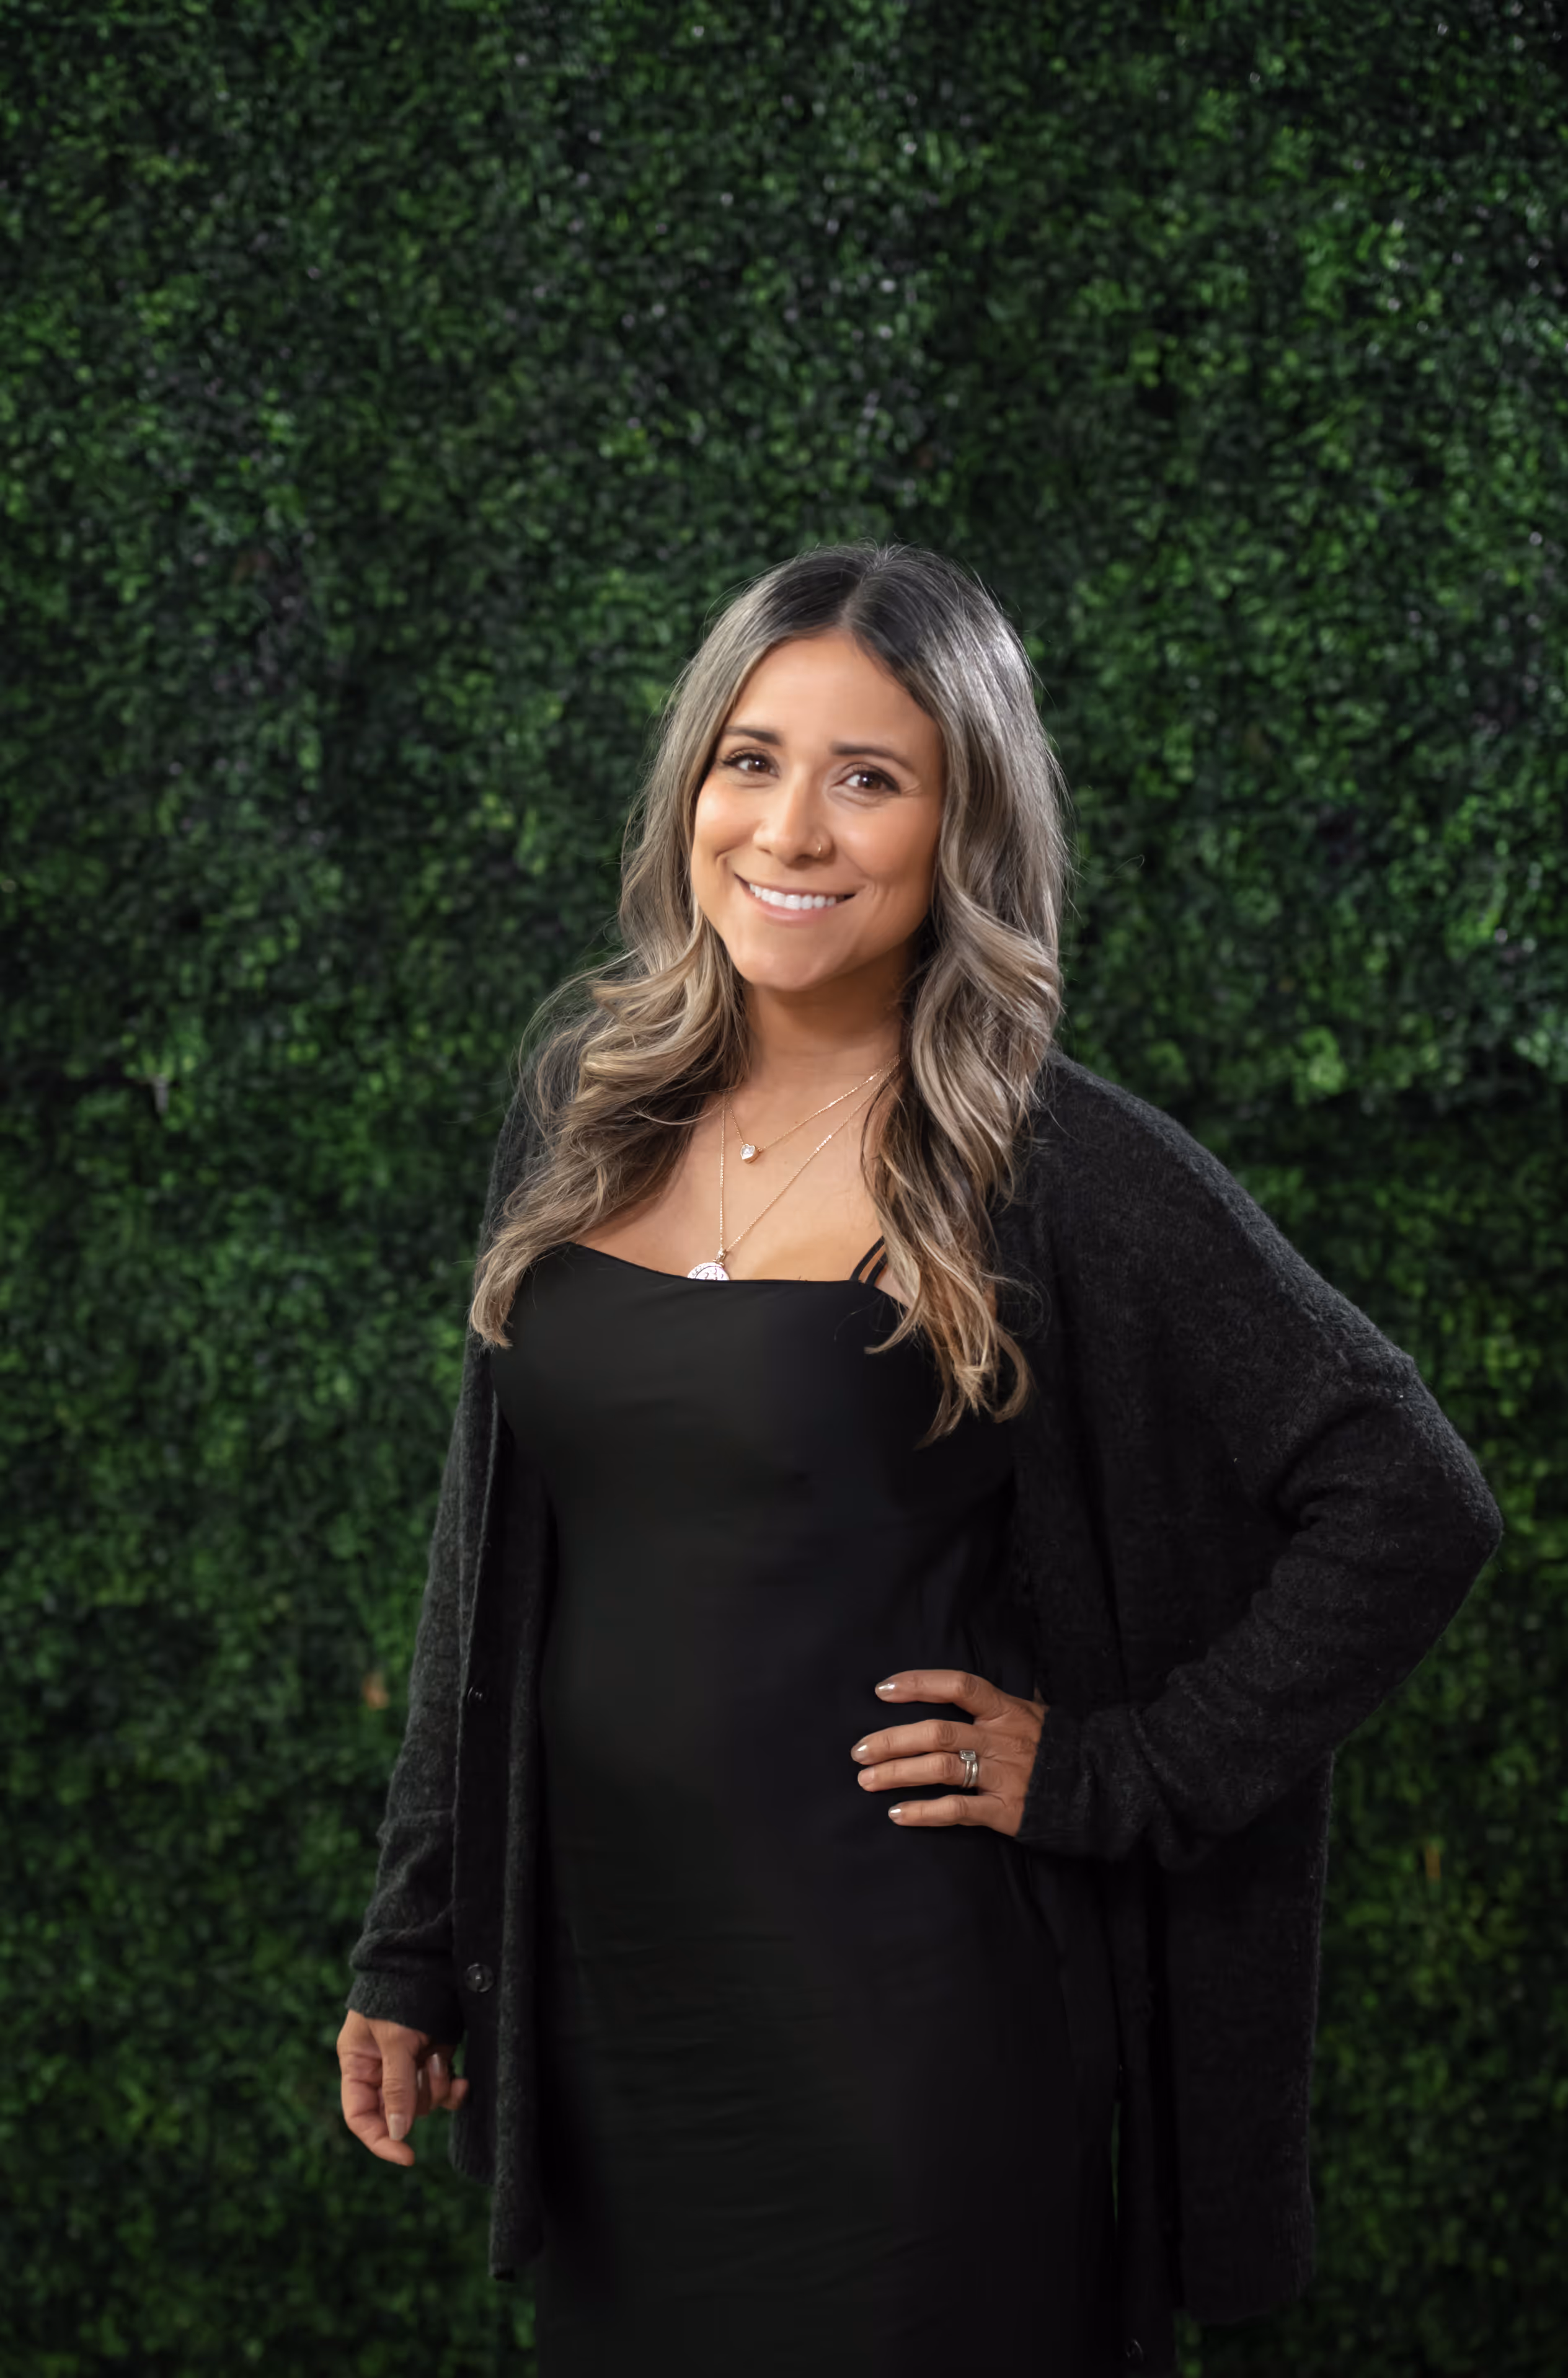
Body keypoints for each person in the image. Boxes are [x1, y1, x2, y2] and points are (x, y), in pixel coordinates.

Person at [336, 540, 1503, 2378]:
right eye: (750, 759)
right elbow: (493, 1532)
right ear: (689, 788)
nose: (790, 830)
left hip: (912, 2037)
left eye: (868, 777)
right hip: (618, 2020)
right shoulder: (586, 1094)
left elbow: (1407, 1491)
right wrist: (416, 1945)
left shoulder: (1046, 1160)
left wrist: (1126, 1771)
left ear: (965, 823)